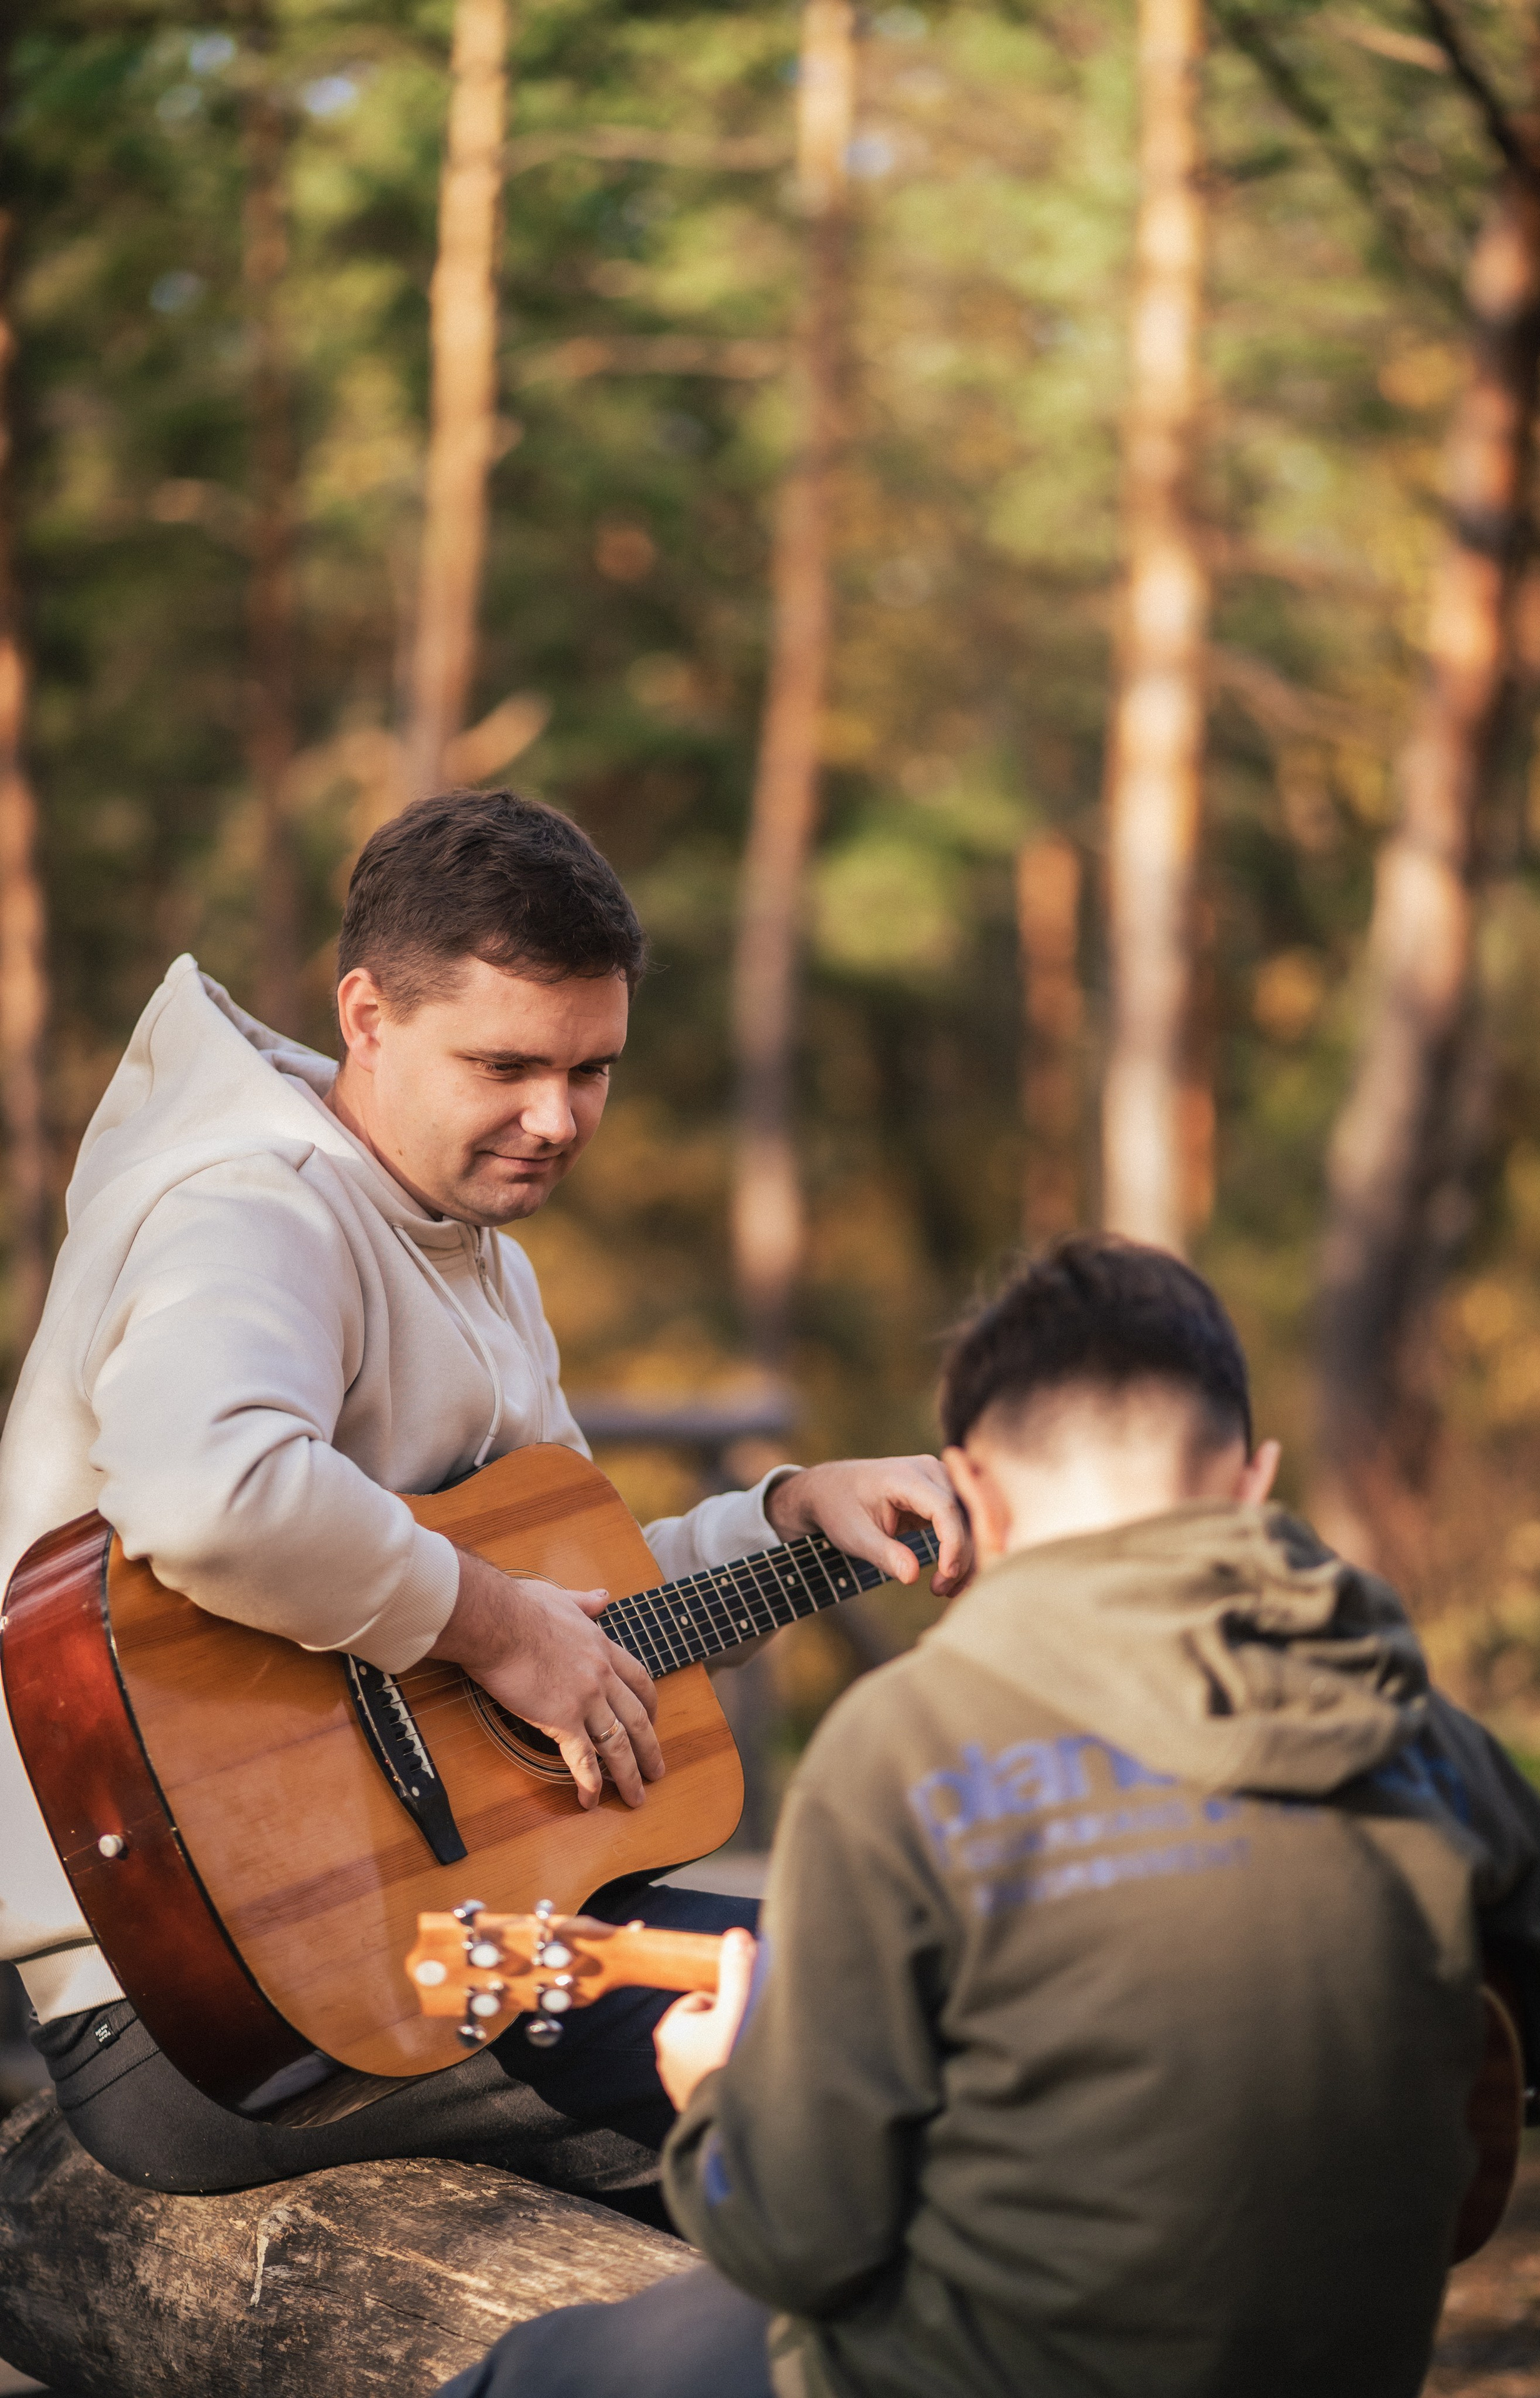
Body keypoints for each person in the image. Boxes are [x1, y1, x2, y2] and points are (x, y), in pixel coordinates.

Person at [0, 788, 969, 2206]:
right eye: (506, 1063)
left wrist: (782, 1522)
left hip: (446, 1934)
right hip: (219, 2010)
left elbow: (559, 1606)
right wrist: (501, 1633)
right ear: (367, 1016)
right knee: (862, 2051)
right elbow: (212, 1495)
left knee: (882, 2002)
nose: (555, 1117)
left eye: (592, 1071)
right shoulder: (251, 1206)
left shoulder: (473, 1250)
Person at [442, 1233, 1540, 2398]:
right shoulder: (1418, 1729)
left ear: (977, 1494)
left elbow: (803, 2243)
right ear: (1252, 1480)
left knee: (525, 2377)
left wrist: (722, 2106)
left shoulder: (906, 1748)